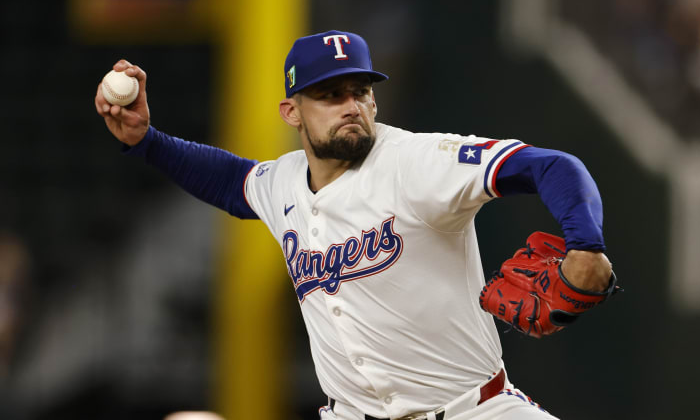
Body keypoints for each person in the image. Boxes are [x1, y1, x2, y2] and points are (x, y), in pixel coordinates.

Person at [94, 30, 612, 420]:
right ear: (291, 112)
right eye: (329, 95)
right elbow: (231, 182)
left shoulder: (418, 161)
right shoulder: (285, 182)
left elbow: (553, 167)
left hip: (474, 410)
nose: (350, 107)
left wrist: (585, 245)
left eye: (359, 91)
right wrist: (147, 140)